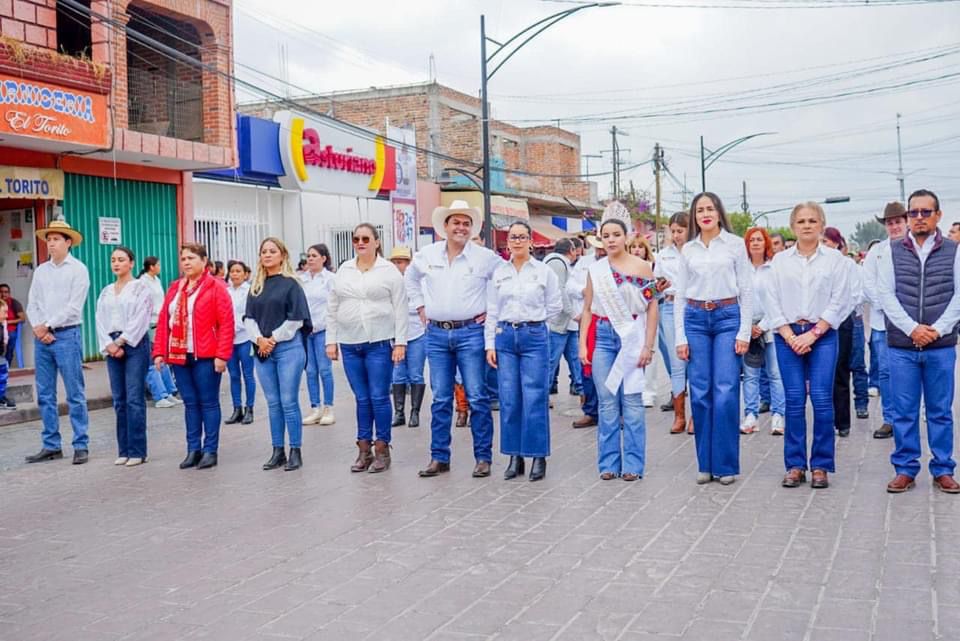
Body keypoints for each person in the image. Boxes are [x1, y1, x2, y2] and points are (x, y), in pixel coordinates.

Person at [406, 200, 502, 478]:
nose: (461, 227)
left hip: (470, 332)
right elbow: (410, 280)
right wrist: (420, 306)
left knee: (477, 396)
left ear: (472, 229)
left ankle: (483, 457)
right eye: (456, 222)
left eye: (466, 223)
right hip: (435, 334)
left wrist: (492, 310)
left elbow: (505, 281)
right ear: (444, 227)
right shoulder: (426, 255)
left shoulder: (485, 257)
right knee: (440, 398)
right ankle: (439, 457)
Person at [878, 189, 960, 494]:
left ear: (938, 215)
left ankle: (943, 468)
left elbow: (958, 296)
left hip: (940, 346)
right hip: (902, 345)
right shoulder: (892, 250)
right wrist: (913, 328)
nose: (919, 218)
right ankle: (905, 468)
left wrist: (936, 330)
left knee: (940, 411)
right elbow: (886, 295)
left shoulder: (954, 250)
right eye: (914, 213)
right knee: (904, 410)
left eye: (926, 212)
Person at [766, 203, 850, 489]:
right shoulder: (779, 261)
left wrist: (813, 334)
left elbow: (840, 300)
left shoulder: (834, 261)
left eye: (812, 220)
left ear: (822, 224)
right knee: (793, 400)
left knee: (822, 400)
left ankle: (821, 465)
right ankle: (795, 465)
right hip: (787, 334)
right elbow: (771, 300)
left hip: (822, 334)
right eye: (800, 221)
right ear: (793, 227)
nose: (806, 225)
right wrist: (790, 335)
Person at [675, 193, 752, 485]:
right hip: (695, 319)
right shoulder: (689, 250)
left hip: (727, 317)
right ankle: (705, 463)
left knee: (725, 391)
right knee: (701, 392)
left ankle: (726, 464)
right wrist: (680, 337)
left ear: (719, 212)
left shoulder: (734, 245)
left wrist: (744, 331)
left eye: (710, 208)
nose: (705, 214)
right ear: (694, 217)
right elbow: (680, 295)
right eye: (699, 210)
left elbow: (746, 290)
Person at [580, 218, 658, 481]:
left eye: (616, 234)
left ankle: (634, 464)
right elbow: (588, 309)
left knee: (633, 401)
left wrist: (648, 345)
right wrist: (583, 344)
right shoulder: (596, 270)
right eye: (606, 235)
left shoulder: (644, 267)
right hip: (603, 336)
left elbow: (652, 307)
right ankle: (609, 463)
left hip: (632, 335)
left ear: (626, 237)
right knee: (607, 402)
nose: (611, 239)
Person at [328, 224, 407, 473]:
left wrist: (401, 342)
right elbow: (332, 306)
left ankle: (383, 448)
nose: (360, 243)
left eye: (365, 239)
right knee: (361, 398)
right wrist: (331, 340)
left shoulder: (389, 271)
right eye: (356, 239)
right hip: (350, 343)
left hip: (379, 342)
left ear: (376, 242)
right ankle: (364, 449)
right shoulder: (344, 269)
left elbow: (401, 306)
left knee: (379, 396)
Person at [486, 222, 561, 482]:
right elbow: (492, 311)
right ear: (508, 242)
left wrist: (536, 324)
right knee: (509, 397)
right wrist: (489, 345)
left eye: (522, 237)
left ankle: (537, 455)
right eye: (513, 237)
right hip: (505, 336)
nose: (517, 241)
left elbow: (554, 305)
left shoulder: (543, 272)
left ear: (530, 241)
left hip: (534, 336)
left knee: (535, 396)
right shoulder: (500, 272)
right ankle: (514, 455)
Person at [153, 243, 234, 470]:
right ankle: (193, 449)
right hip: (180, 354)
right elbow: (163, 323)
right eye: (184, 258)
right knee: (190, 403)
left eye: (191, 258)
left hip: (206, 355)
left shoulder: (215, 287)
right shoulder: (175, 288)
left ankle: (210, 450)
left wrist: (222, 355)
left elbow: (226, 323)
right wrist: (159, 351)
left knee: (208, 402)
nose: (187, 262)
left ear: (204, 260)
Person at [25, 219, 90, 465]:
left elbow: (74, 306)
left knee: (75, 393)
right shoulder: (41, 270)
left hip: (67, 334)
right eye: (49, 239)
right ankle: (51, 444)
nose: (51, 244)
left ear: (68, 242)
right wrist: (39, 328)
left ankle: (81, 444)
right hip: (44, 337)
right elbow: (33, 302)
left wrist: (48, 325)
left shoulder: (78, 269)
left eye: (55, 239)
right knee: (45, 393)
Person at [245, 238, 312, 472]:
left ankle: (295, 449)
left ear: (282, 255)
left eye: (272, 251)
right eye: (264, 251)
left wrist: (272, 338)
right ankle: (277, 450)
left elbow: (296, 319)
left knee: (288, 401)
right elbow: (248, 318)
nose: (267, 255)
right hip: (262, 351)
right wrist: (259, 340)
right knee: (273, 403)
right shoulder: (256, 286)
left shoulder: (291, 284)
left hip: (288, 349)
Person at [96, 247, 153, 467]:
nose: (116, 264)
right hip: (111, 344)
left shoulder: (140, 288)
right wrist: (109, 344)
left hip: (134, 344)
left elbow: (141, 319)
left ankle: (138, 450)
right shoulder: (106, 291)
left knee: (134, 398)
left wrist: (122, 342)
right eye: (113, 260)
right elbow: (99, 318)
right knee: (119, 399)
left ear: (131, 263)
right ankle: (124, 449)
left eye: (121, 260)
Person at [862, 203, 907, 439]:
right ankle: (890, 419)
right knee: (886, 373)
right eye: (890, 223)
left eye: (898, 221)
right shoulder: (877, 251)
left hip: (912, 321)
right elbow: (868, 282)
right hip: (883, 321)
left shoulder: (915, 248)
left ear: (906, 222)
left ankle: (911, 415)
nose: (894, 226)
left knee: (910, 372)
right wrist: (885, 305)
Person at [739, 228, 786, 436]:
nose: (756, 243)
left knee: (775, 373)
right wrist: (747, 326)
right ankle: (751, 415)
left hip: (771, 326)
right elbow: (737, 298)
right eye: (752, 240)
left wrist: (764, 325)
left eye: (759, 239)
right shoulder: (740, 269)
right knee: (750, 374)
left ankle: (778, 415)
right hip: (746, 327)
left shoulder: (774, 268)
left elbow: (779, 299)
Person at [821, 227, 862, 437]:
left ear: (838, 243)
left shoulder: (847, 265)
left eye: (827, 241)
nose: (824, 245)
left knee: (840, 371)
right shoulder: (816, 264)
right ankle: (824, 421)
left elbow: (855, 295)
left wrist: (834, 316)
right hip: (817, 324)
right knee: (821, 375)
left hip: (841, 322)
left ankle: (843, 421)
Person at [654, 213, 692, 434]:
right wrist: (659, 285)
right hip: (669, 305)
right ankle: (679, 415)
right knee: (676, 361)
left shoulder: (696, 251)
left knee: (695, 362)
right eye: (674, 231)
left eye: (681, 230)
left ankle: (697, 415)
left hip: (692, 307)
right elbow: (655, 281)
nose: (677, 235)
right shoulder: (663, 255)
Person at [389, 246, 427, 428]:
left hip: (417, 330)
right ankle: (399, 412)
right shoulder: (389, 282)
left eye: (401, 262)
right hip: (396, 332)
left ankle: (415, 412)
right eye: (395, 262)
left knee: (415, 373)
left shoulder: (418, 282)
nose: (398, 266)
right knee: (398, 373)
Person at [300, 244, 337, 426]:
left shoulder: (330, 279)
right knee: (310, 371)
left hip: (324, 331)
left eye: (314, 255)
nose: (311, 259)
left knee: (324, 369)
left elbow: (335, 306)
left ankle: (329, 407)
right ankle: (315, 407)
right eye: (308, 256)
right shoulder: (302, 279)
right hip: (307, 332)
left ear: (323, 258)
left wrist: (334, 336)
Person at [139, 257, 181, 409]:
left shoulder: (156, 279)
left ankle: (169, 392)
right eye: (157, 265)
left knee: (162, 358)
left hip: (159, 322)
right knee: (152, 360)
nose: (159, 267)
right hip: (149, 323)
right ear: (151, 267)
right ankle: (159, 395)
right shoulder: (142, 282)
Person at [571, 235, 603, 429]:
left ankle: (618, 411)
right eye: (597, 247)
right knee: (587, 366)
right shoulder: (584, 263)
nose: (600, 251)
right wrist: (583, 290)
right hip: (589, 319)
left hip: (612, 320)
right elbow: (569, 286)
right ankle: (591, 410)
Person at [544, 238, 579, 401]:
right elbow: (560, 290)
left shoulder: (555, 262)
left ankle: (582, 390)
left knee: (576, 358)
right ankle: (543, 395)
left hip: (567, 324)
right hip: (559, 322)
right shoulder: (558, 263)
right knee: (551, 360)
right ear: (570, 250)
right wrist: (572, 312)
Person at [225, 261, 256, 425]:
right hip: (229, 339)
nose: (235, 274)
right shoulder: (225, 291)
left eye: (238, 271)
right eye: (232, 271)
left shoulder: (250, 291)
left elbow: (251, 315)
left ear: (245, 274)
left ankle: (249, 408)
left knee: (248, 375)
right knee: (234, 375)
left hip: (245, 337)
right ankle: (237, 408)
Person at [0, 283, 25, 368]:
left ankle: (7, 366)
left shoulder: (14, 303)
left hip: (10, 329)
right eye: (1, 292)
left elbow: (22, 319)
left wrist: (7, 322)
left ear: (9, 293)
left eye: (6, 292)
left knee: (11, 338)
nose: (3, 294)